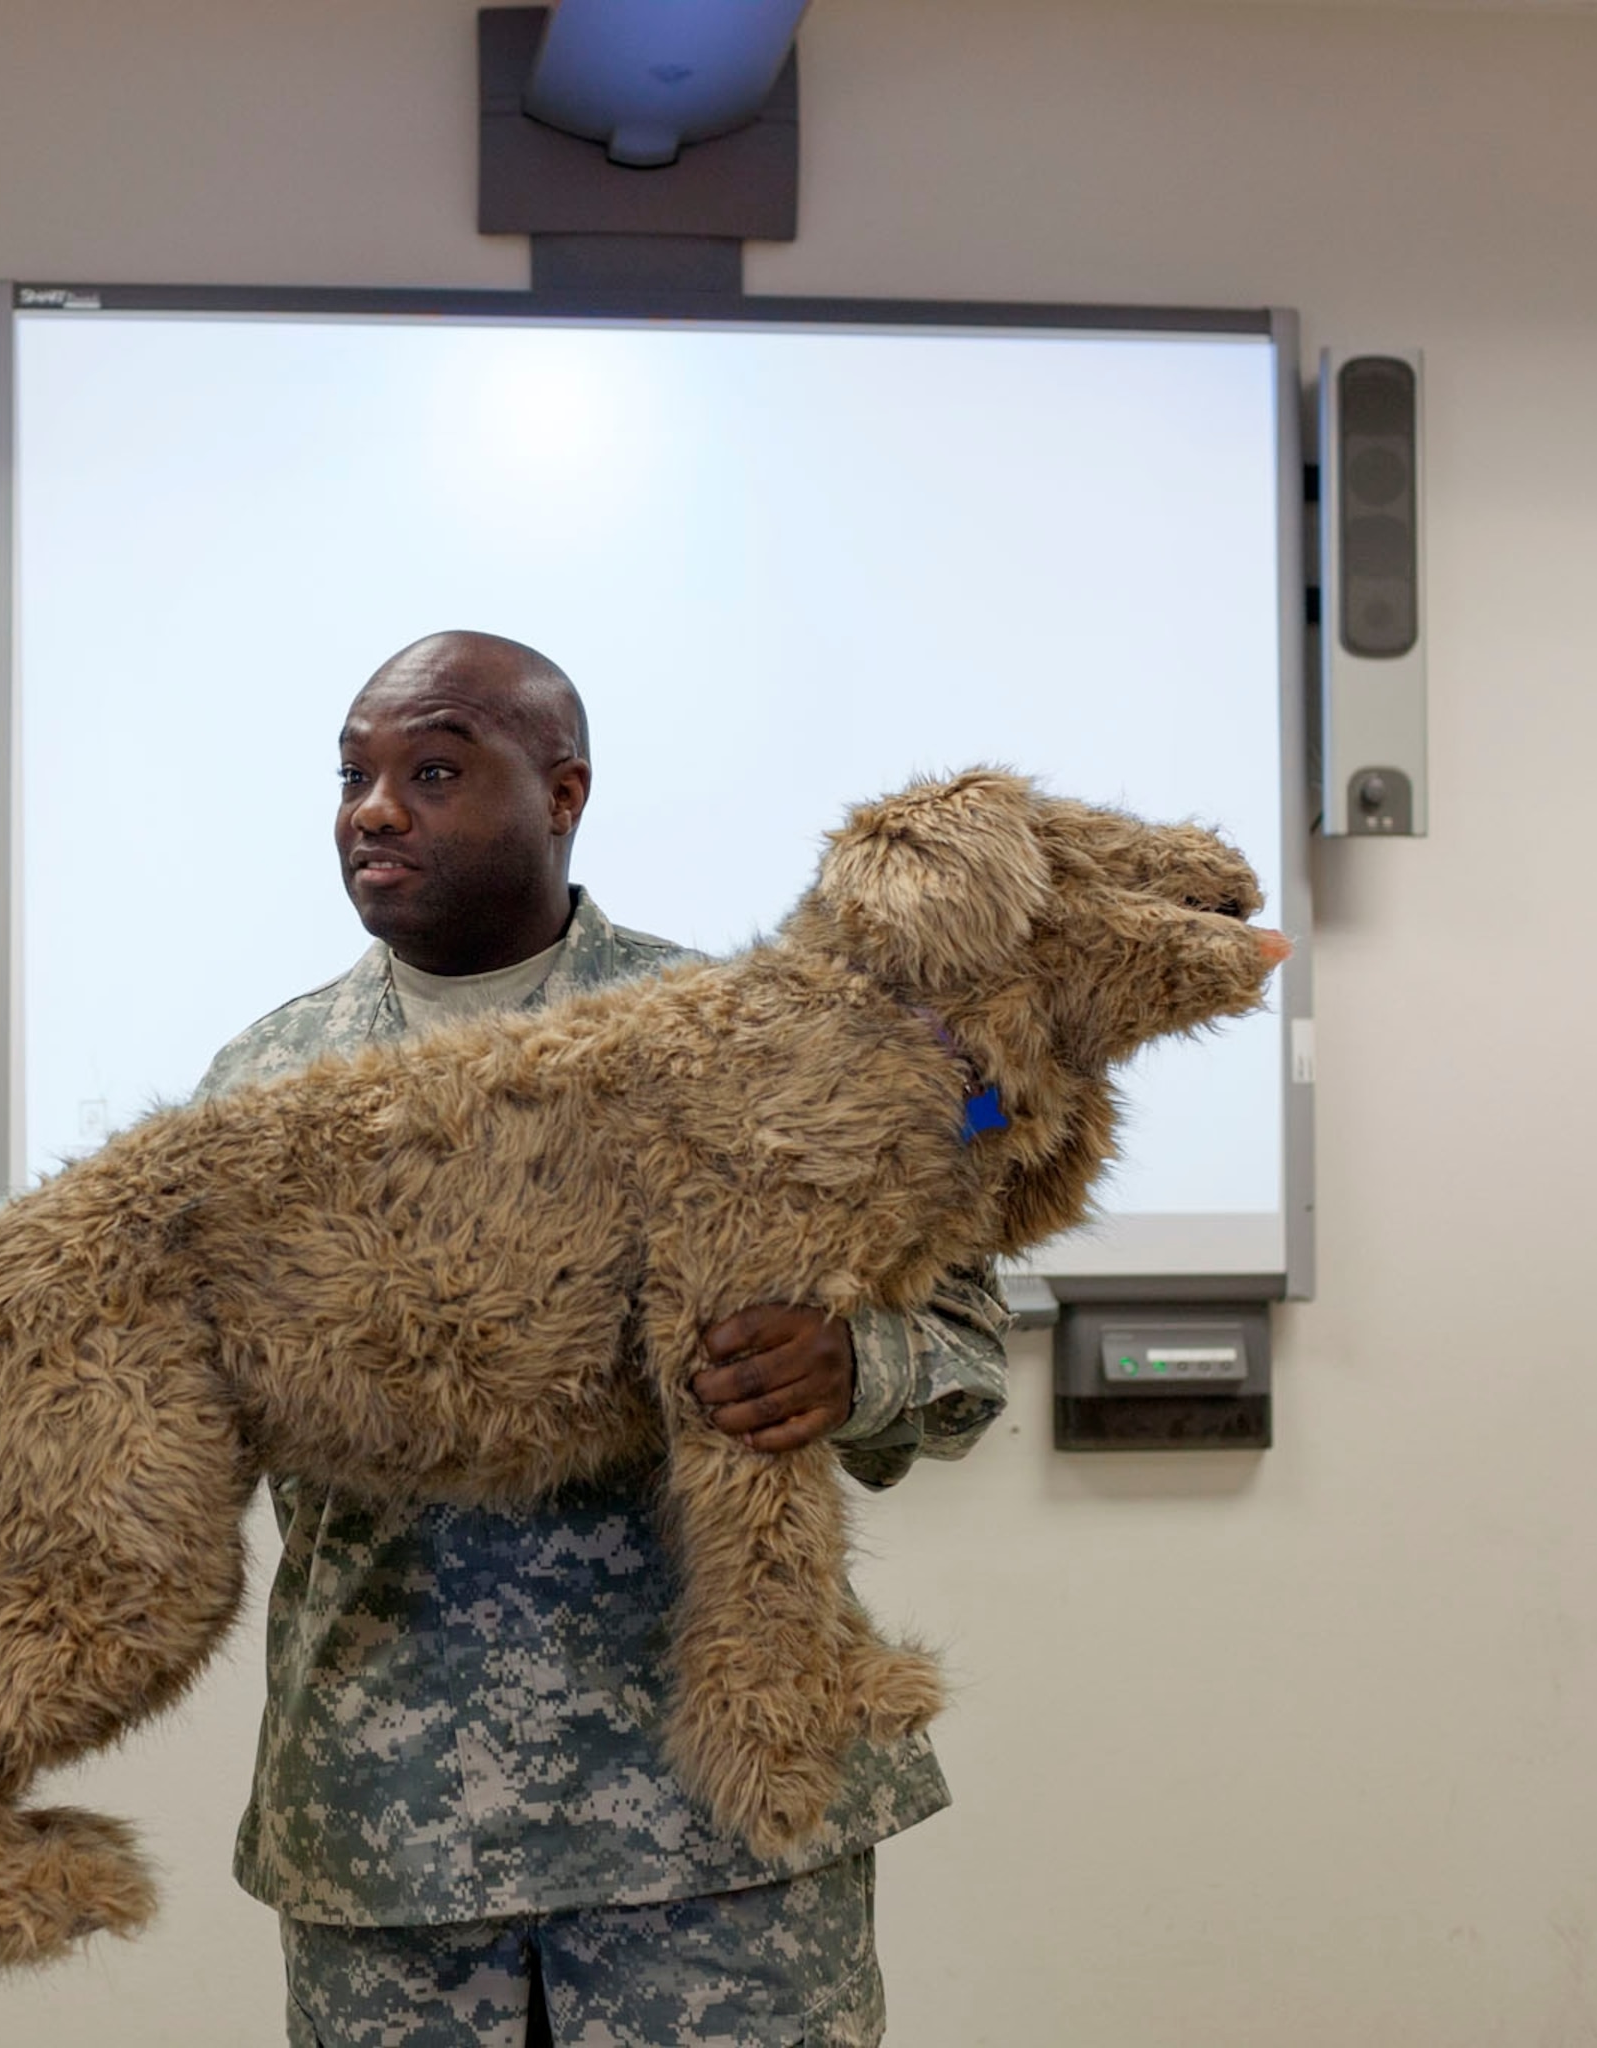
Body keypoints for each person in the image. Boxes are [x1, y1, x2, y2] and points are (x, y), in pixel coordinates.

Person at [194, 630, 1012, 2048]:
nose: (374, 810)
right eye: (354, 776)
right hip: (393, 1830)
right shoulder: (265, 1085)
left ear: (563, 794)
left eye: (434, 770)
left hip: (715, 1835)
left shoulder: (755, 1038)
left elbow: (961, 1337)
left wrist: (852, 1367)